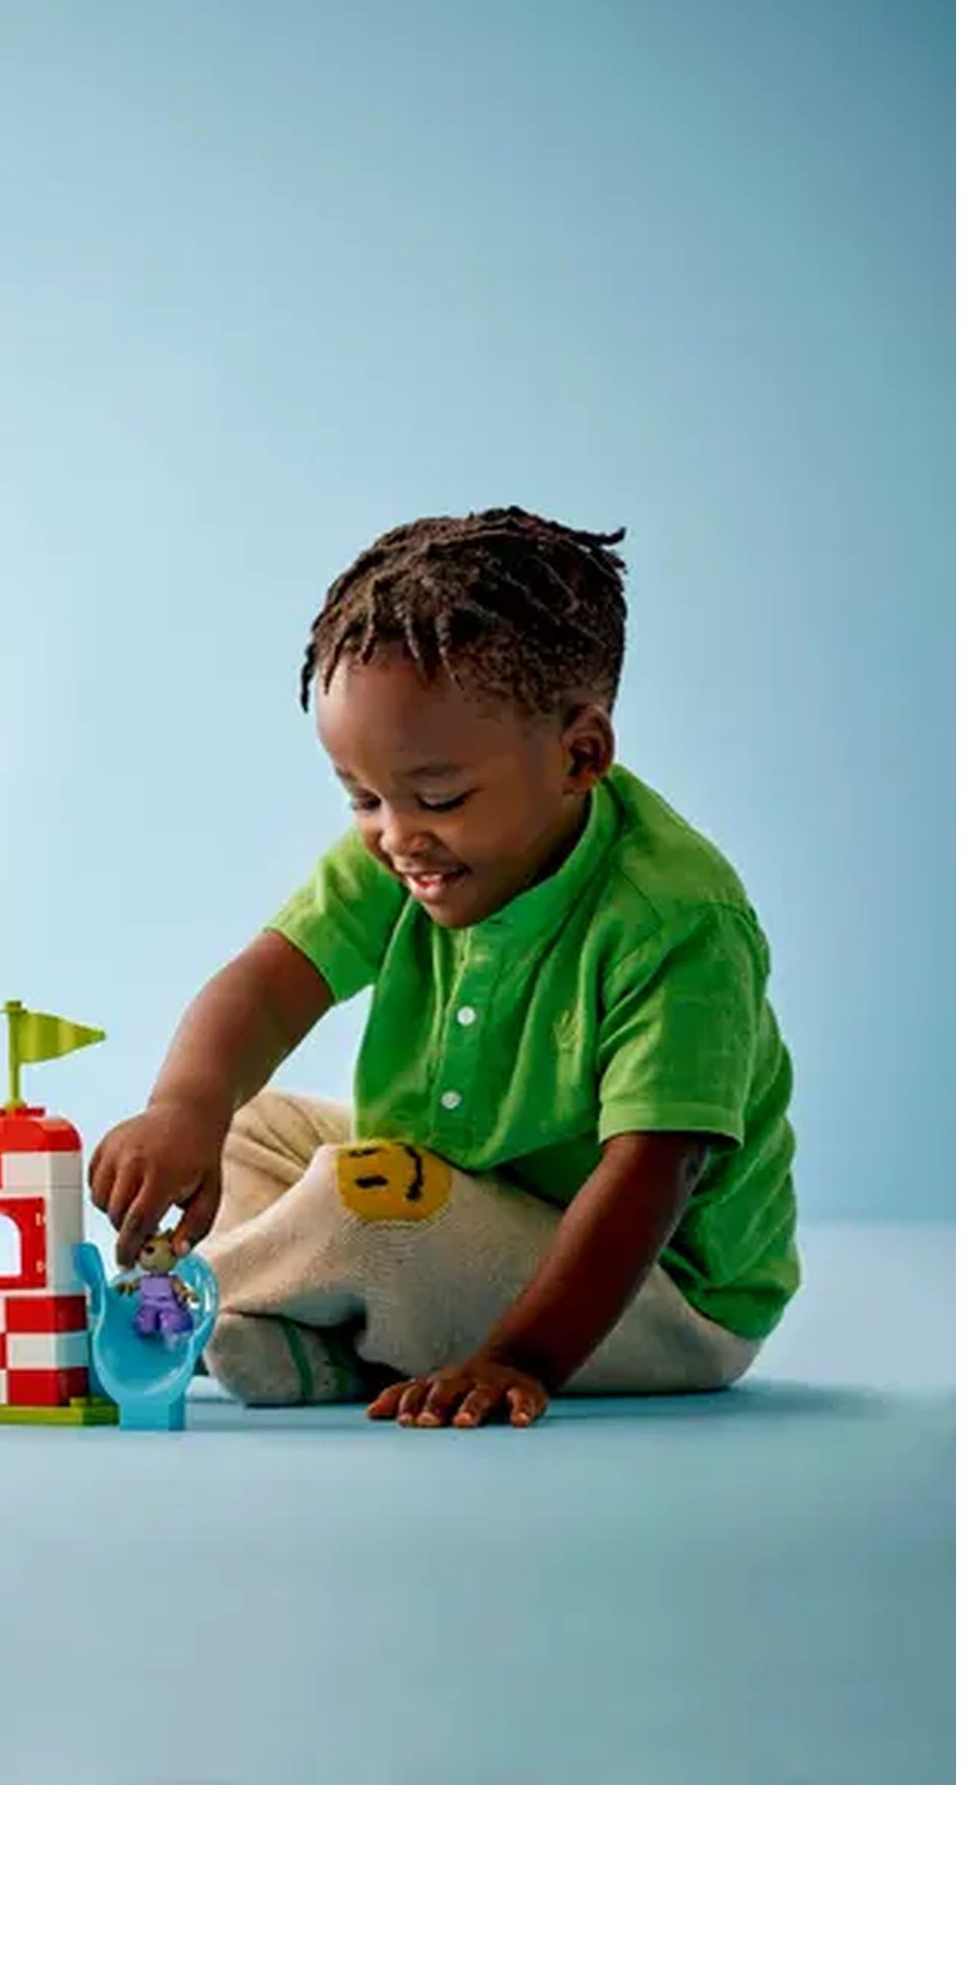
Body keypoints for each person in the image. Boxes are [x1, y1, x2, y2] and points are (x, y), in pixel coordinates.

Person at [88, 507, 799, 1427]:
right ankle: (289, 1344)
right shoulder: (412, 849)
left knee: (362, 1206)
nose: (395, 836)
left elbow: (650, 1179)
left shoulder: (675, 920)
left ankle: (125, 1322)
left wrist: (517, 1360)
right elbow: (268, 984)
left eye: (438, 797)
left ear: (580, 755)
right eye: (363, 799)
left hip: (645, 1299)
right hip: (459, 1208)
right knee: (245, 1124)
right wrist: (183, 1108)